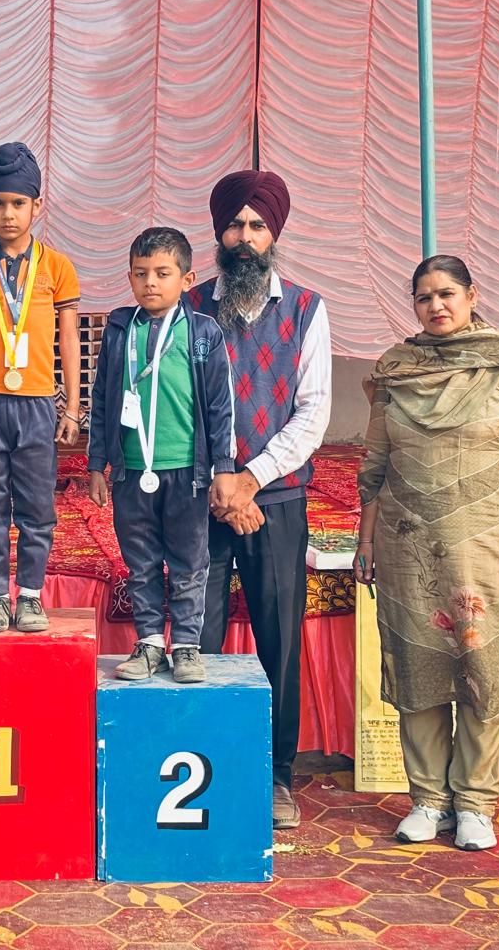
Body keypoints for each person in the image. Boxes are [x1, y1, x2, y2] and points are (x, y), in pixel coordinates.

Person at [354, 254, 499, 852]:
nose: (436, 306)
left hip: (488, 544)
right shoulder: (397, 369)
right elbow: (374, 465)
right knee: (416, 666)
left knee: (482, 668)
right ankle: (428, 800)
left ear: (472, 295)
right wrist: (365, 539)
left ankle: (474, 803)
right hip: (407, 544)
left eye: (447, 293)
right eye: (424, 297)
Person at [189, 169, 333, 830]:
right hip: (202, 496)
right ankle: (202, 765)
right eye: (234, 226)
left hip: (275, 499)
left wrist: (250, 479)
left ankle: (276, 776)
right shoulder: (190, 307)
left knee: (278, 636)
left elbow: (313, 412)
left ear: (274, 233)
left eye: (256, 225)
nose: (244, 237)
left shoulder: (305, 309)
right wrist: (222, 480)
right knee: (199, 633)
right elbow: (181, 406)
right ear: (218, 233)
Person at [88, 227, 234, 684]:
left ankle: (187, 645)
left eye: (162, 273)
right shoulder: (119, 331)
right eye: (140, 273)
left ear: (187, 280)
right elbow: (101, 399)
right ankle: (150, 643)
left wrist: (224, 468)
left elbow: (221, 405)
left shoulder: (203, 332)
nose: (150, 282)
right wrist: (96, 464)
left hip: (187, 472)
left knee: (189, 562)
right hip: (131, 471)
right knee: (141, 561)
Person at [0, 142, 82, 633]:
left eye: (19, 203)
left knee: (36, 505)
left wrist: (72, 407)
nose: (9, 214)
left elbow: (69, 338)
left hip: (36, 402)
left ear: (37, 205)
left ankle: (29, 596)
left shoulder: (57, 267)